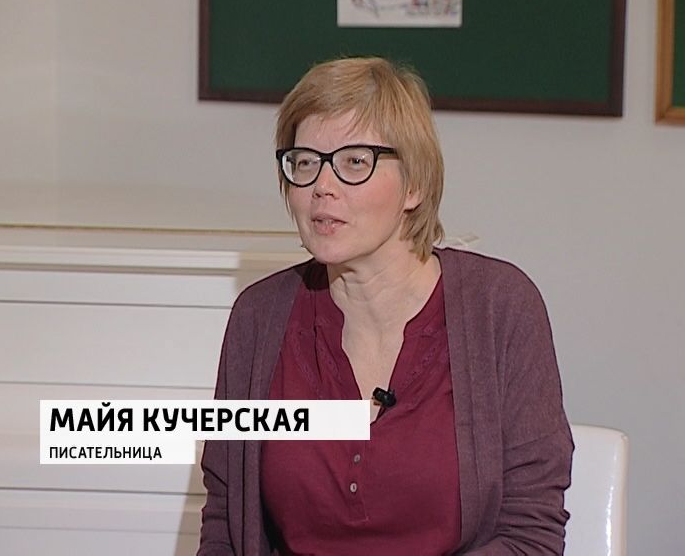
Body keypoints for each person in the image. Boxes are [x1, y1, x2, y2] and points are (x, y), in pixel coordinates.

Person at [198, 57, 573, 555]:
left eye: (355, 161)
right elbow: (226, 529)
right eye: (305, 162)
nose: (321, 186)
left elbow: (531, 536)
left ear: (414, 185)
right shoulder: (258, 318)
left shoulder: (500, 308)